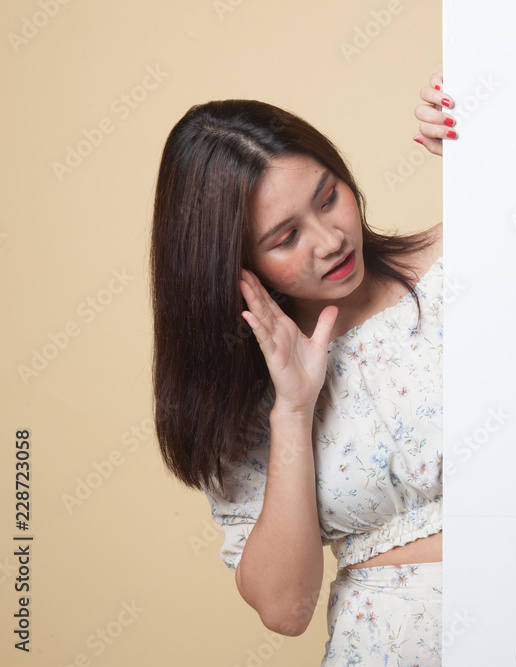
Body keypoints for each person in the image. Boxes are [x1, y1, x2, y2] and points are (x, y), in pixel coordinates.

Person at [150, 73, 456, 665]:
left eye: (328, 197)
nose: (331, 239)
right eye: (286, 237)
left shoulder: (462, 262)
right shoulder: (246, 402)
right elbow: (286, 609)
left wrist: (511, 156)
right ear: (236, 265)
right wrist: (294, 408)